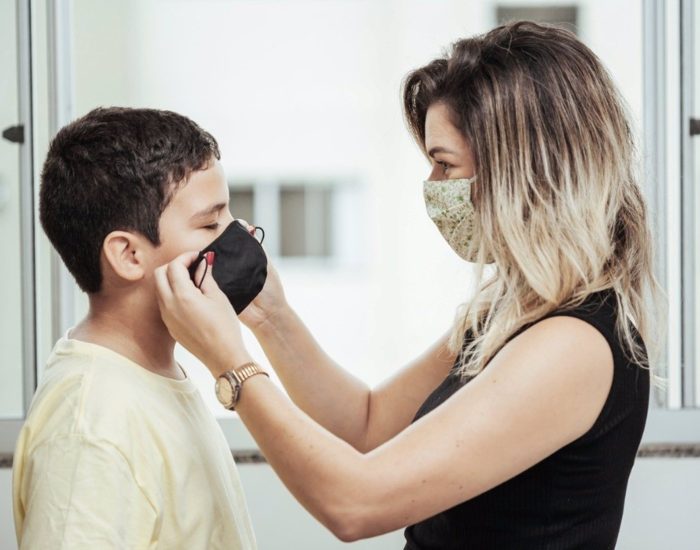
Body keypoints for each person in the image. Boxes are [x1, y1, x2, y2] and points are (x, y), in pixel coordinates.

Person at [156, 21, 662, 548]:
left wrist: (230, 364)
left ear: (524, 170)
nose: (432, 188)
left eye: (445, 166)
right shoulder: (510, 312)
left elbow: (355, 505)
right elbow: (367, 427)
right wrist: (268, 315)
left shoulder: (572, 346)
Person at [13, 107, 257, 549]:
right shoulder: (90, 425)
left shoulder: (153, 378)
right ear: (128, 256)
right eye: (210, 223)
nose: (238, 235)